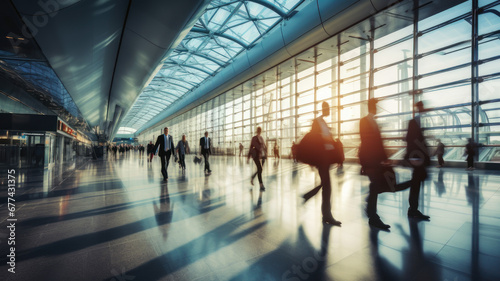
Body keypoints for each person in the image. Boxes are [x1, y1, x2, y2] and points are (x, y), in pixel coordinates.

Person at [302, 101, 341, 226]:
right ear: (324, 109)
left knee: (325, 185)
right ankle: (327, 215)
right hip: (322, 159)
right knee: (327, 186)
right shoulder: (317, 121)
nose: (329, 111)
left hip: (327, 158)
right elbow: (314, 140)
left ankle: (308, 197)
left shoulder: (323, 122)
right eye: (327, 108)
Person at [359, 98, 392, 229]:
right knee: (375, 185)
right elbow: (366, 142)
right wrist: (365, 163)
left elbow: (378, 142)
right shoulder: (365, 121)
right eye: (375, 106)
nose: (377, 109)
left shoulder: (374, 122)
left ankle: (371, 212)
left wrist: (384, 157)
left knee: (375, 186)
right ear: (372, 107)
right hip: (370, 161)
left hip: (375, 161)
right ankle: (372, 215)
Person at [404, 101, 430, 220]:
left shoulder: (420, 121)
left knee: (416, 182)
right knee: (416, 182)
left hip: (419, 157)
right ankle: (413, 209)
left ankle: (413, 209)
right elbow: (410, 140)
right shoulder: (413, 122)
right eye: (421, 107)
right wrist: (412, 157)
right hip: (416, 157)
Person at [248, 127, 267, 191]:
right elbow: (251, 147)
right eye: (258, 130)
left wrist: (265, 153)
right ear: (257, 130)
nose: (259, 131)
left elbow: (264, 146)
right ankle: (261, 185)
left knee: (260, 170)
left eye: (260, 130)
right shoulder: (254, 138)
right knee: (260, 169)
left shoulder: (261, 138)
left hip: (260, 156)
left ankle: (252, 177)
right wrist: (248, 157)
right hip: (255, 155)